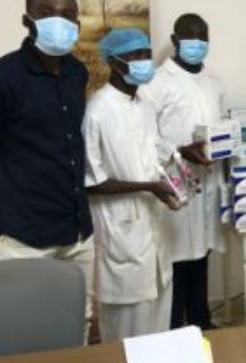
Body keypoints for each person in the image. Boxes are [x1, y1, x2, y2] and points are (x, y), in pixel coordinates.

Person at [0, 0, 95, 334]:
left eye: (68, 15)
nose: (59, 21)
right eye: (46, 13)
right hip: (24, 233)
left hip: (77, 230)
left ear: (78, 25)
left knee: (79, 322)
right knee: (22, 330)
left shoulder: (77, 73)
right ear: (27, 21)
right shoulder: (6, 76)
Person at [83, 28, 178, 341]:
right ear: (114, 61)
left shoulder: (145, 105)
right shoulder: (98, 111)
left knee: (158, 322)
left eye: (146, 54)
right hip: (120, 230)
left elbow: (152, 157)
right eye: (135, 55)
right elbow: (91, 181)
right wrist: (148, 187)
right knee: (126, 332)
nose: (144, 61)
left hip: (154, 227)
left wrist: (172, 180)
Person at [142, 13, 224, 330]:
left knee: (201, 253)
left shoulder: (213, 82)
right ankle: (175, 328)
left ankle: (201, 321)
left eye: (203, 37)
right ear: (175, 41)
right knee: (177, 258)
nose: (197, 43)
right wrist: (179, 150)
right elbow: (146, 136)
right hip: (173, 181)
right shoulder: (156, 82)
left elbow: (218, 128)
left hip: (207, 180)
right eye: (190, 37)